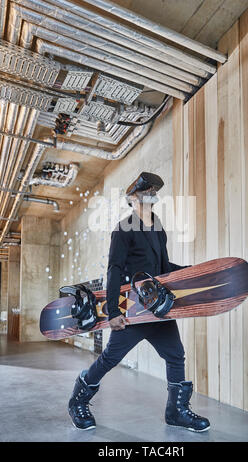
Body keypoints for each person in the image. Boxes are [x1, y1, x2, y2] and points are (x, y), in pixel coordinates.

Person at [68, 172, 210, 433]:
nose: (150, 197)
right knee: (110, 358)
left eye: (153, 192)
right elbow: (114, 269)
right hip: (133, 311)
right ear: (133, 198)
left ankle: (176, 411)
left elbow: (164, 268)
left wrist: (192, 272)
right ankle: (78, 400)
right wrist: (112, 313)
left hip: (158, 308)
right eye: (144, 193)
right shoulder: (123, 229)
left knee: (176, 355)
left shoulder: (158, 228)